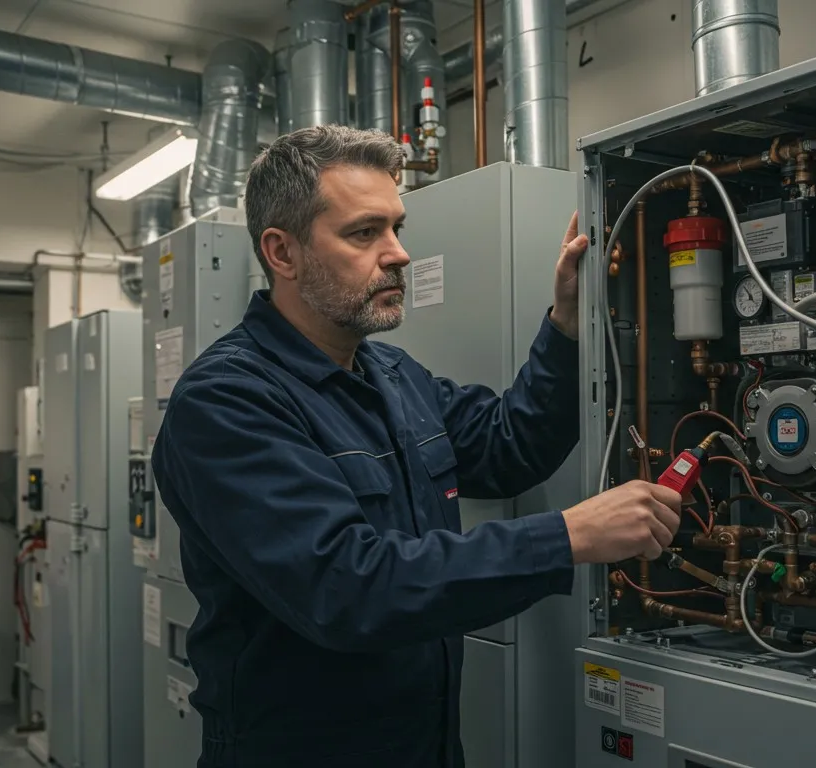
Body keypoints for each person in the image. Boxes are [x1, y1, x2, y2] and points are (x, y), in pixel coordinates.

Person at [151, 125, 683, 768]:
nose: (398, 254)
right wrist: (566, 536)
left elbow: (509, 446)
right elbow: (346, 588)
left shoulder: (393, 376)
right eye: (363, 233)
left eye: (397, 228)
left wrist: (567, 327)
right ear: (282, 253)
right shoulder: (226, 402)